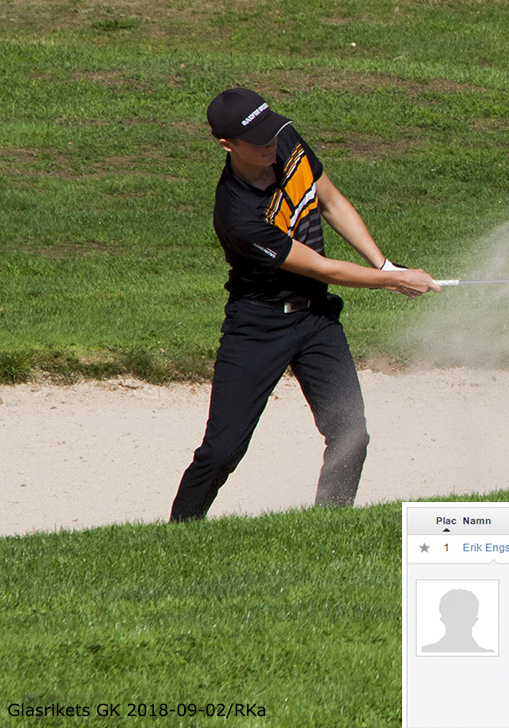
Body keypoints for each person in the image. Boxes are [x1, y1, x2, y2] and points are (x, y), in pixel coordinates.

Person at [170, 87, 439, 522]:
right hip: (259, 325)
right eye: (257, 140)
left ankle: (328, 524)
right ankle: (179, 532)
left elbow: (330, 201)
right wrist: (392, 281)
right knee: (222, 451)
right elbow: (320, 266)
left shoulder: (284, 140)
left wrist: (385, 264)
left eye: (271, 131)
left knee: (351, 433)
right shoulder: (237, 214)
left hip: (315, 318)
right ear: (227, 144)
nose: (269, 144)